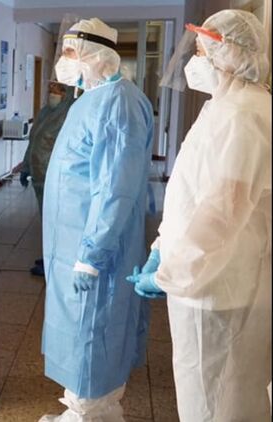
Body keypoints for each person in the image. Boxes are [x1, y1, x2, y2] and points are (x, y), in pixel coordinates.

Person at [127, 9, 271, 421]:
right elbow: (191, 193)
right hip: (208, 277)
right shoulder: (224, 107)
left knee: (213, 400)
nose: (195, 60)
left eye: (204, 51)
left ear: (231, 54)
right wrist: (161, 247)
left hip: (218, 285)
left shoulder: (243, 115)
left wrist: (171, 272)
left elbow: (222, 212)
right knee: (213, 391)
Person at [39, 18, 154, 421]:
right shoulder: (90, 99)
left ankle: (91, 412)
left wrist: (92, 255)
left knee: (93, 330)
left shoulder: (117, 103)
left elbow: (115, 188)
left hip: (95, 251)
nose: (64, 60)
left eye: (72, 52)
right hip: (72, 243)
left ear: (98, 55)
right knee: (77, 331)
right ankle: (84, 410)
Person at [19, 81, 77, 276]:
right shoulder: (45, 113)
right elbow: (34, 142)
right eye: (50, 88)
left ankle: (56, 263)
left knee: (58, 223)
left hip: (59, 180)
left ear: (67, 93)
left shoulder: (71, 115)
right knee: (47, 221)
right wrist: (26, 167)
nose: (52, 93)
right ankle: (49, 256)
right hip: (39, 176)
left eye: (58, 90)